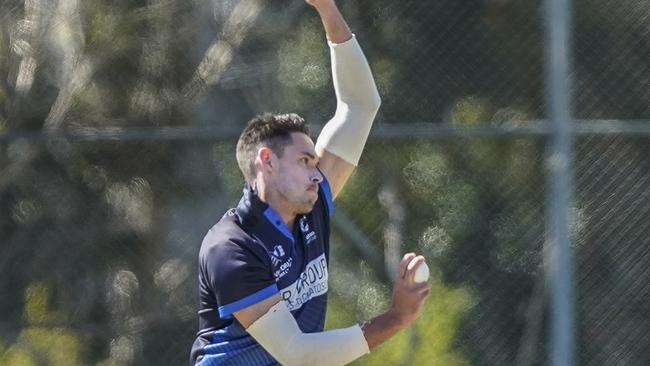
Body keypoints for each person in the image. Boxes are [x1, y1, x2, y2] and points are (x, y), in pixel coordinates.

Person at [190, 0, 430, 365]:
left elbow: (360, 104)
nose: (318, 173)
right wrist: (395, 318)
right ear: (266, 162)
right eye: (305, 161)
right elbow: (298, 355)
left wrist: (327, 9)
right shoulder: (231, 247)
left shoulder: (312, 202)